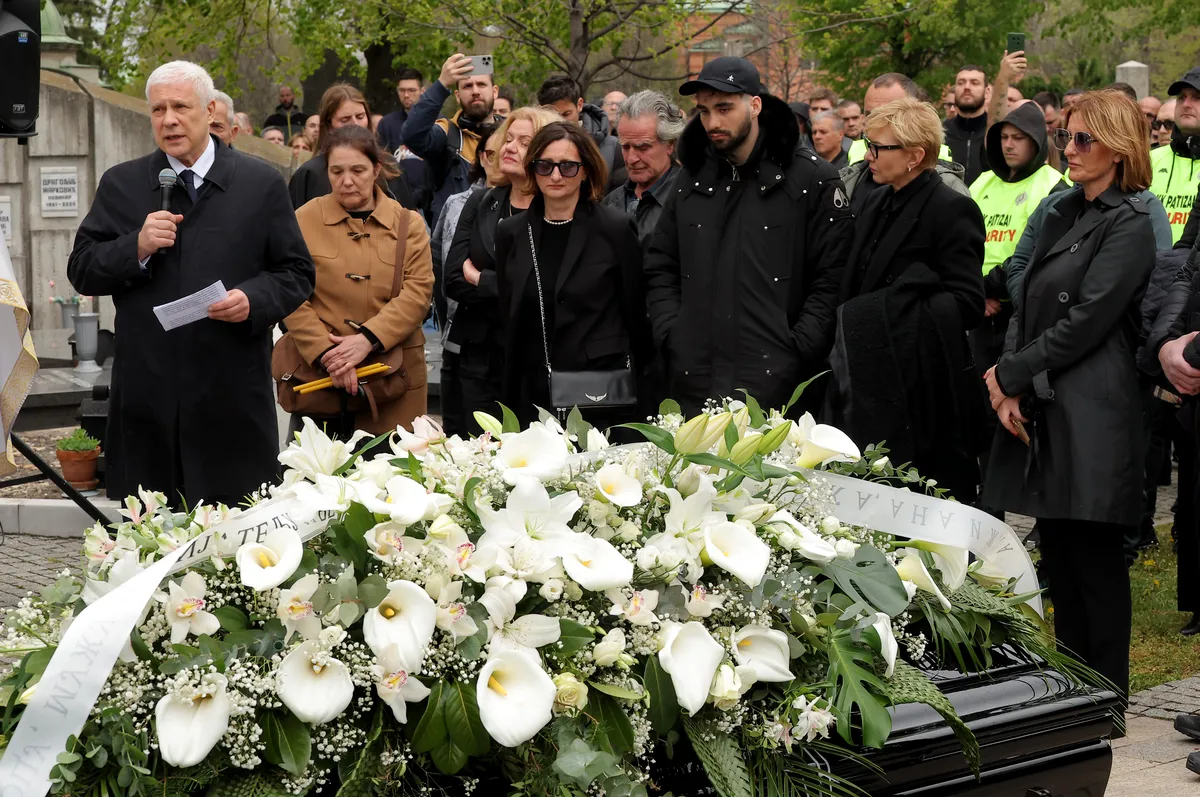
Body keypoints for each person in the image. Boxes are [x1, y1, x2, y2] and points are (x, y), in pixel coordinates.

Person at [66, 60, 314, 505]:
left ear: (210, 109)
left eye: (181, 106)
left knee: (235, 538)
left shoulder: (259, 184)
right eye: (158, 110)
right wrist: (136, 247)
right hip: (148, 397)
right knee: (150, 535)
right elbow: (82, 268)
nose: (169, 120)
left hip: (230, 393)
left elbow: (296, 273)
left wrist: (252, 300)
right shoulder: (122, 185)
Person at [984, 90, 1157, 700]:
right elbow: (1023, 293)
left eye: (1084, 139)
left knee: (1096, 561)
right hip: (1046, 395)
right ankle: (1074, 693)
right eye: (1067, 137)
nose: (1070, 149)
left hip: (1096, 403)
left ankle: (1106, 698)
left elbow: (1090, 318)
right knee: (1058, 553)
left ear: (1119, 148)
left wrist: (1011, 374)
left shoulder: (1132, 220)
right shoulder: (1062, 210)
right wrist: (1008, 375)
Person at [644, 56, 853, 414]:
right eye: (705, 111)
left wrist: (798, 346)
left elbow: (832, 277)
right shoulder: (691, 177)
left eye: (724, 108)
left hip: (779, 386)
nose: (713, 122)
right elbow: (661, 263)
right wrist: (673, 333)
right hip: (694, 379)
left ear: (754, 105)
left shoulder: (811, 179)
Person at [832, 97, 987, 502]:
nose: (868, 155)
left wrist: (897, 307)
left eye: (879, 148)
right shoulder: (876, 199)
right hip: (871, 379)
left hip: (923, 390)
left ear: (915, 156)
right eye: (868, 143)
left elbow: (968, 301)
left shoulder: (953, 209)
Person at [493, 121, 649, 427]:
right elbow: (508, 314)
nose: (554, 175)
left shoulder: (614, 229)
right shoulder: (511, 232)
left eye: (567, 167)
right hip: (532, 391)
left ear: (586, 170)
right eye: (544, 165)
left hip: (599, 391)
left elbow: (636, 315)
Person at [284, 125, 433, 436]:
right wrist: (329, 355)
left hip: (394, 378)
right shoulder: (303, 219)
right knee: (317, 478)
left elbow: (417, 294)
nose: (347, 180)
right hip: (318, 380)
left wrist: (367, 340)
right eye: (336, 171)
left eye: (358, 170)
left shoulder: (409, 224)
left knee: (393, 478)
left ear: (377, 169)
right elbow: (289, 290)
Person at [443, 107, 562, 433]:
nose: (509, 147)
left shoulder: (558, 209)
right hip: (478, 360)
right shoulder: (481, 202)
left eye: (523, 142)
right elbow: (453, 279)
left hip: (537, 363)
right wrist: (512, 287)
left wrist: (482, 279)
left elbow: (550, 290)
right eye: (508, 138)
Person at [968, 101, 1071, 379]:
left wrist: (987, 287)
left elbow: (1040, 251)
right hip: (974, 307)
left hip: (1019, 310)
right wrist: (973, 291)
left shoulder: (1053, 185)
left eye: (1018, 138)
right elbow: (957, 243)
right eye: (1003, 138)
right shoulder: (982, 182)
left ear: (1036, 141)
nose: (1008, 145)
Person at [431, 124, 503, 435]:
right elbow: (445, 273)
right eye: (491, 152)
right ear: (482, 157)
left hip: (499, 344)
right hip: (456, 333)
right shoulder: (459, 203)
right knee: (457, 432)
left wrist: (482, 281)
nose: (499, 159)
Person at [842, 73, 966, 214]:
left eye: (889, 114)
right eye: (871, 114)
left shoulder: (949, 190)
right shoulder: (849, 180)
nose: (876, 122)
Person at [403, 53, 499, 223]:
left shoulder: (511, 134)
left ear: (494, 91)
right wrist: (441, 84)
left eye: (481, 84)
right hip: (454, 242)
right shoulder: (447, 132)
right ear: (457, 95)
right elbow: (412, 135)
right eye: (468, 86)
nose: (475, 91)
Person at [288, 84, 416, 212]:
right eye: (345, 119)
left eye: (360, 117)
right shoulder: (310, 174)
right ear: (329, 125)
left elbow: (408, 221)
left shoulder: (390, 167)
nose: (355, 124)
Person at [601, 90, 684, 245]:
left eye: (643, 147)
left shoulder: (689, 202)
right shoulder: (610, 203)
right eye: (625, 147)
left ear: (669, 144)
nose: (632, 159)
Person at [537, 76, 624, 189]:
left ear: (579, 105)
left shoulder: (612, 148)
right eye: (553, 116)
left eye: (566, 114)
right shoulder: (532, 144)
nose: (561, 122)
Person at [1150, 68, 1200, 245]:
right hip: (1149, 268)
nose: (1186, 104)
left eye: (1197, 98)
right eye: (1181, 98)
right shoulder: (1148, 160)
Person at [944, 64, 989, 185]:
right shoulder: (939, 132)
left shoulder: (996, 132)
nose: (967, 87)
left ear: (987, 91)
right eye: (961, 83)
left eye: (974, 83)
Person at [376, 67, 424, 154]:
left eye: (411, 90)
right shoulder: (387, 124)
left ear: (422, 91)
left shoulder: (438, 121)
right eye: (402, 90)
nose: (406, 95)